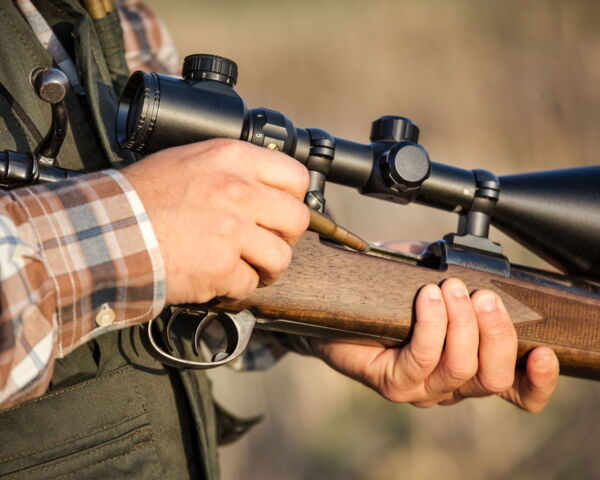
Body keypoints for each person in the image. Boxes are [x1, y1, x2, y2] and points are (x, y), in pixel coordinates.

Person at [0, 0, 559, 478]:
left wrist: (323, 315)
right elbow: (153, 224)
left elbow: (181, 254)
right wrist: (138, 230)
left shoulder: (108, 8)